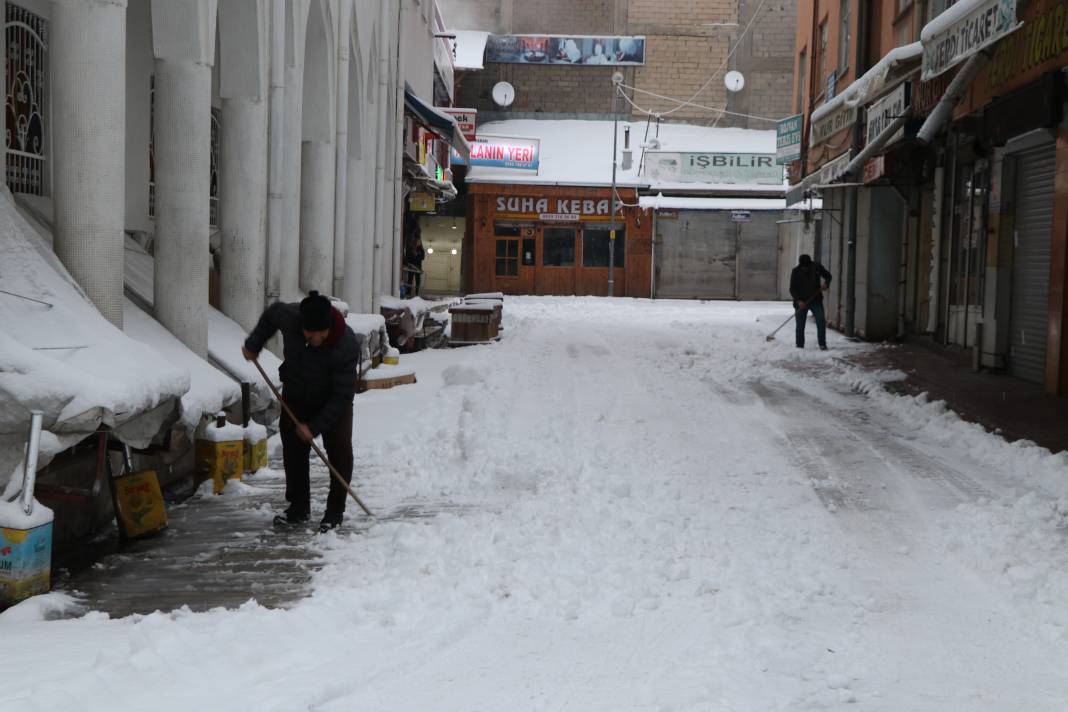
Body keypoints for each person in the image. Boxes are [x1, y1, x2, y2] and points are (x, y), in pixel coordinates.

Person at [241, 291, 359, 532]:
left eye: (320, 333)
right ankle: (298, 507)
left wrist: (314, 427)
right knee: (293, 451)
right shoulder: (292, 317)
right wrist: (254, 344)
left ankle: (335, 512)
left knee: (339, 451)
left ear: (329, 327)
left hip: (333, 399)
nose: (314, 337)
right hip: (296, 393)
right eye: (309, 332)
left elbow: (342, 396)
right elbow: (272, 315)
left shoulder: (346, 344)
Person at [789, 254, 833, 350]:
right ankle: (799, 346)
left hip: (815, 299)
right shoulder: (795, 271)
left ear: (810, 263)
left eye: (807, 267)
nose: (806, 269)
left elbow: (828, 276)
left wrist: (826, 284)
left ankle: (822, 344)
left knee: (820, 321)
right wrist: (799, 301)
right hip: (801, 301)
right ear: (801, 265)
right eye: (804, 267)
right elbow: (792, 289)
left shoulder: (817, 268)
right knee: (800, 326)